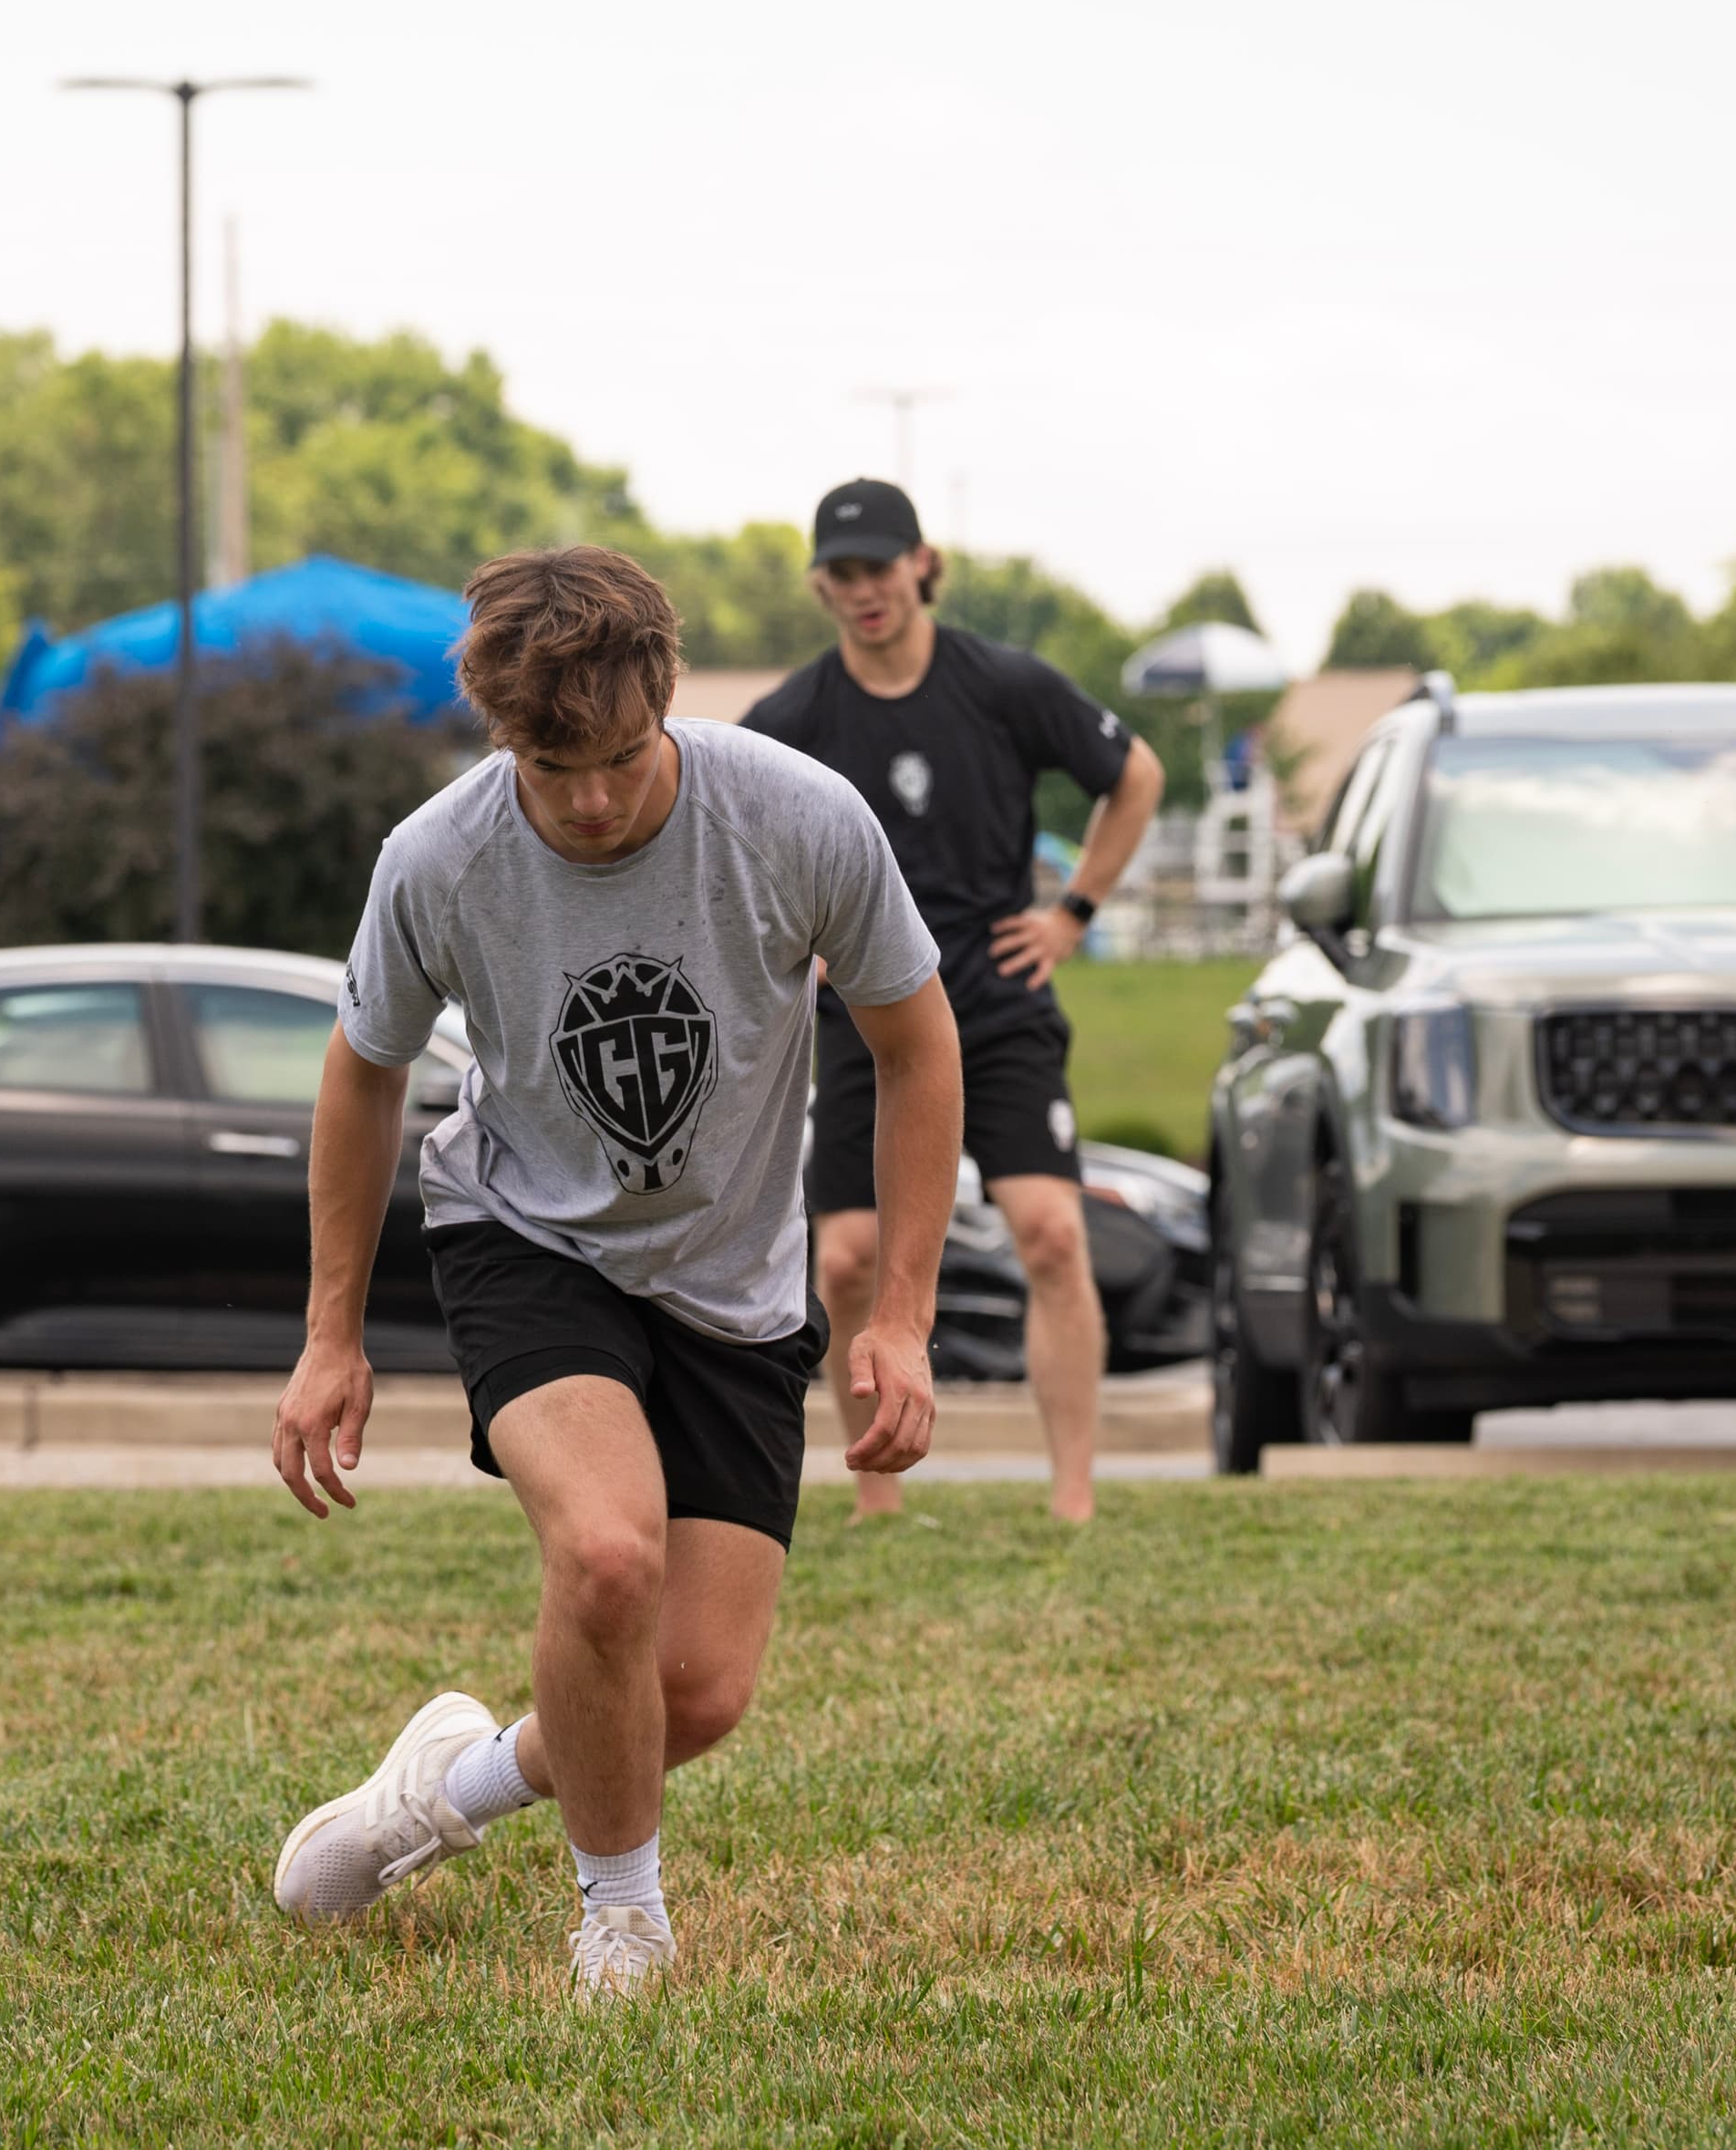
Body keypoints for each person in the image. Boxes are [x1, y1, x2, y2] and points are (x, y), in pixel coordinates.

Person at [267, 544, 961, 1999]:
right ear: (497, 734)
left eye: (620, 757)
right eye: (545, 759)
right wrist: (330, 1333)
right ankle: (623, 1921)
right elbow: (363, 1074)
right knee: (605, 1553)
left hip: (736, 1274)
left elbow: (915, 1044)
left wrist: (900, 1311)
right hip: (529, 1236)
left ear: (669, 699)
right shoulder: (439, 859)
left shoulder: (796, 817)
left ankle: (448, 1786)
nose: (586, 799)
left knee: (693, 1691)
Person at [742, 479, 1162, 1525]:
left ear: (922, 566)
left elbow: (1137, 772)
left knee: (1051, 1232)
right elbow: (731, 834)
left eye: (881, 568)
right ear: (820, 587)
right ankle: (875, 1496)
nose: (865, 590)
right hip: (865, 1012)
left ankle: (1072, 1495)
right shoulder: (793, 717)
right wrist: (794, 948)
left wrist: (1072, 911)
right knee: (841, 1258)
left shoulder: (1006, 683)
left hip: (995, 992)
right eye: (843, 574)